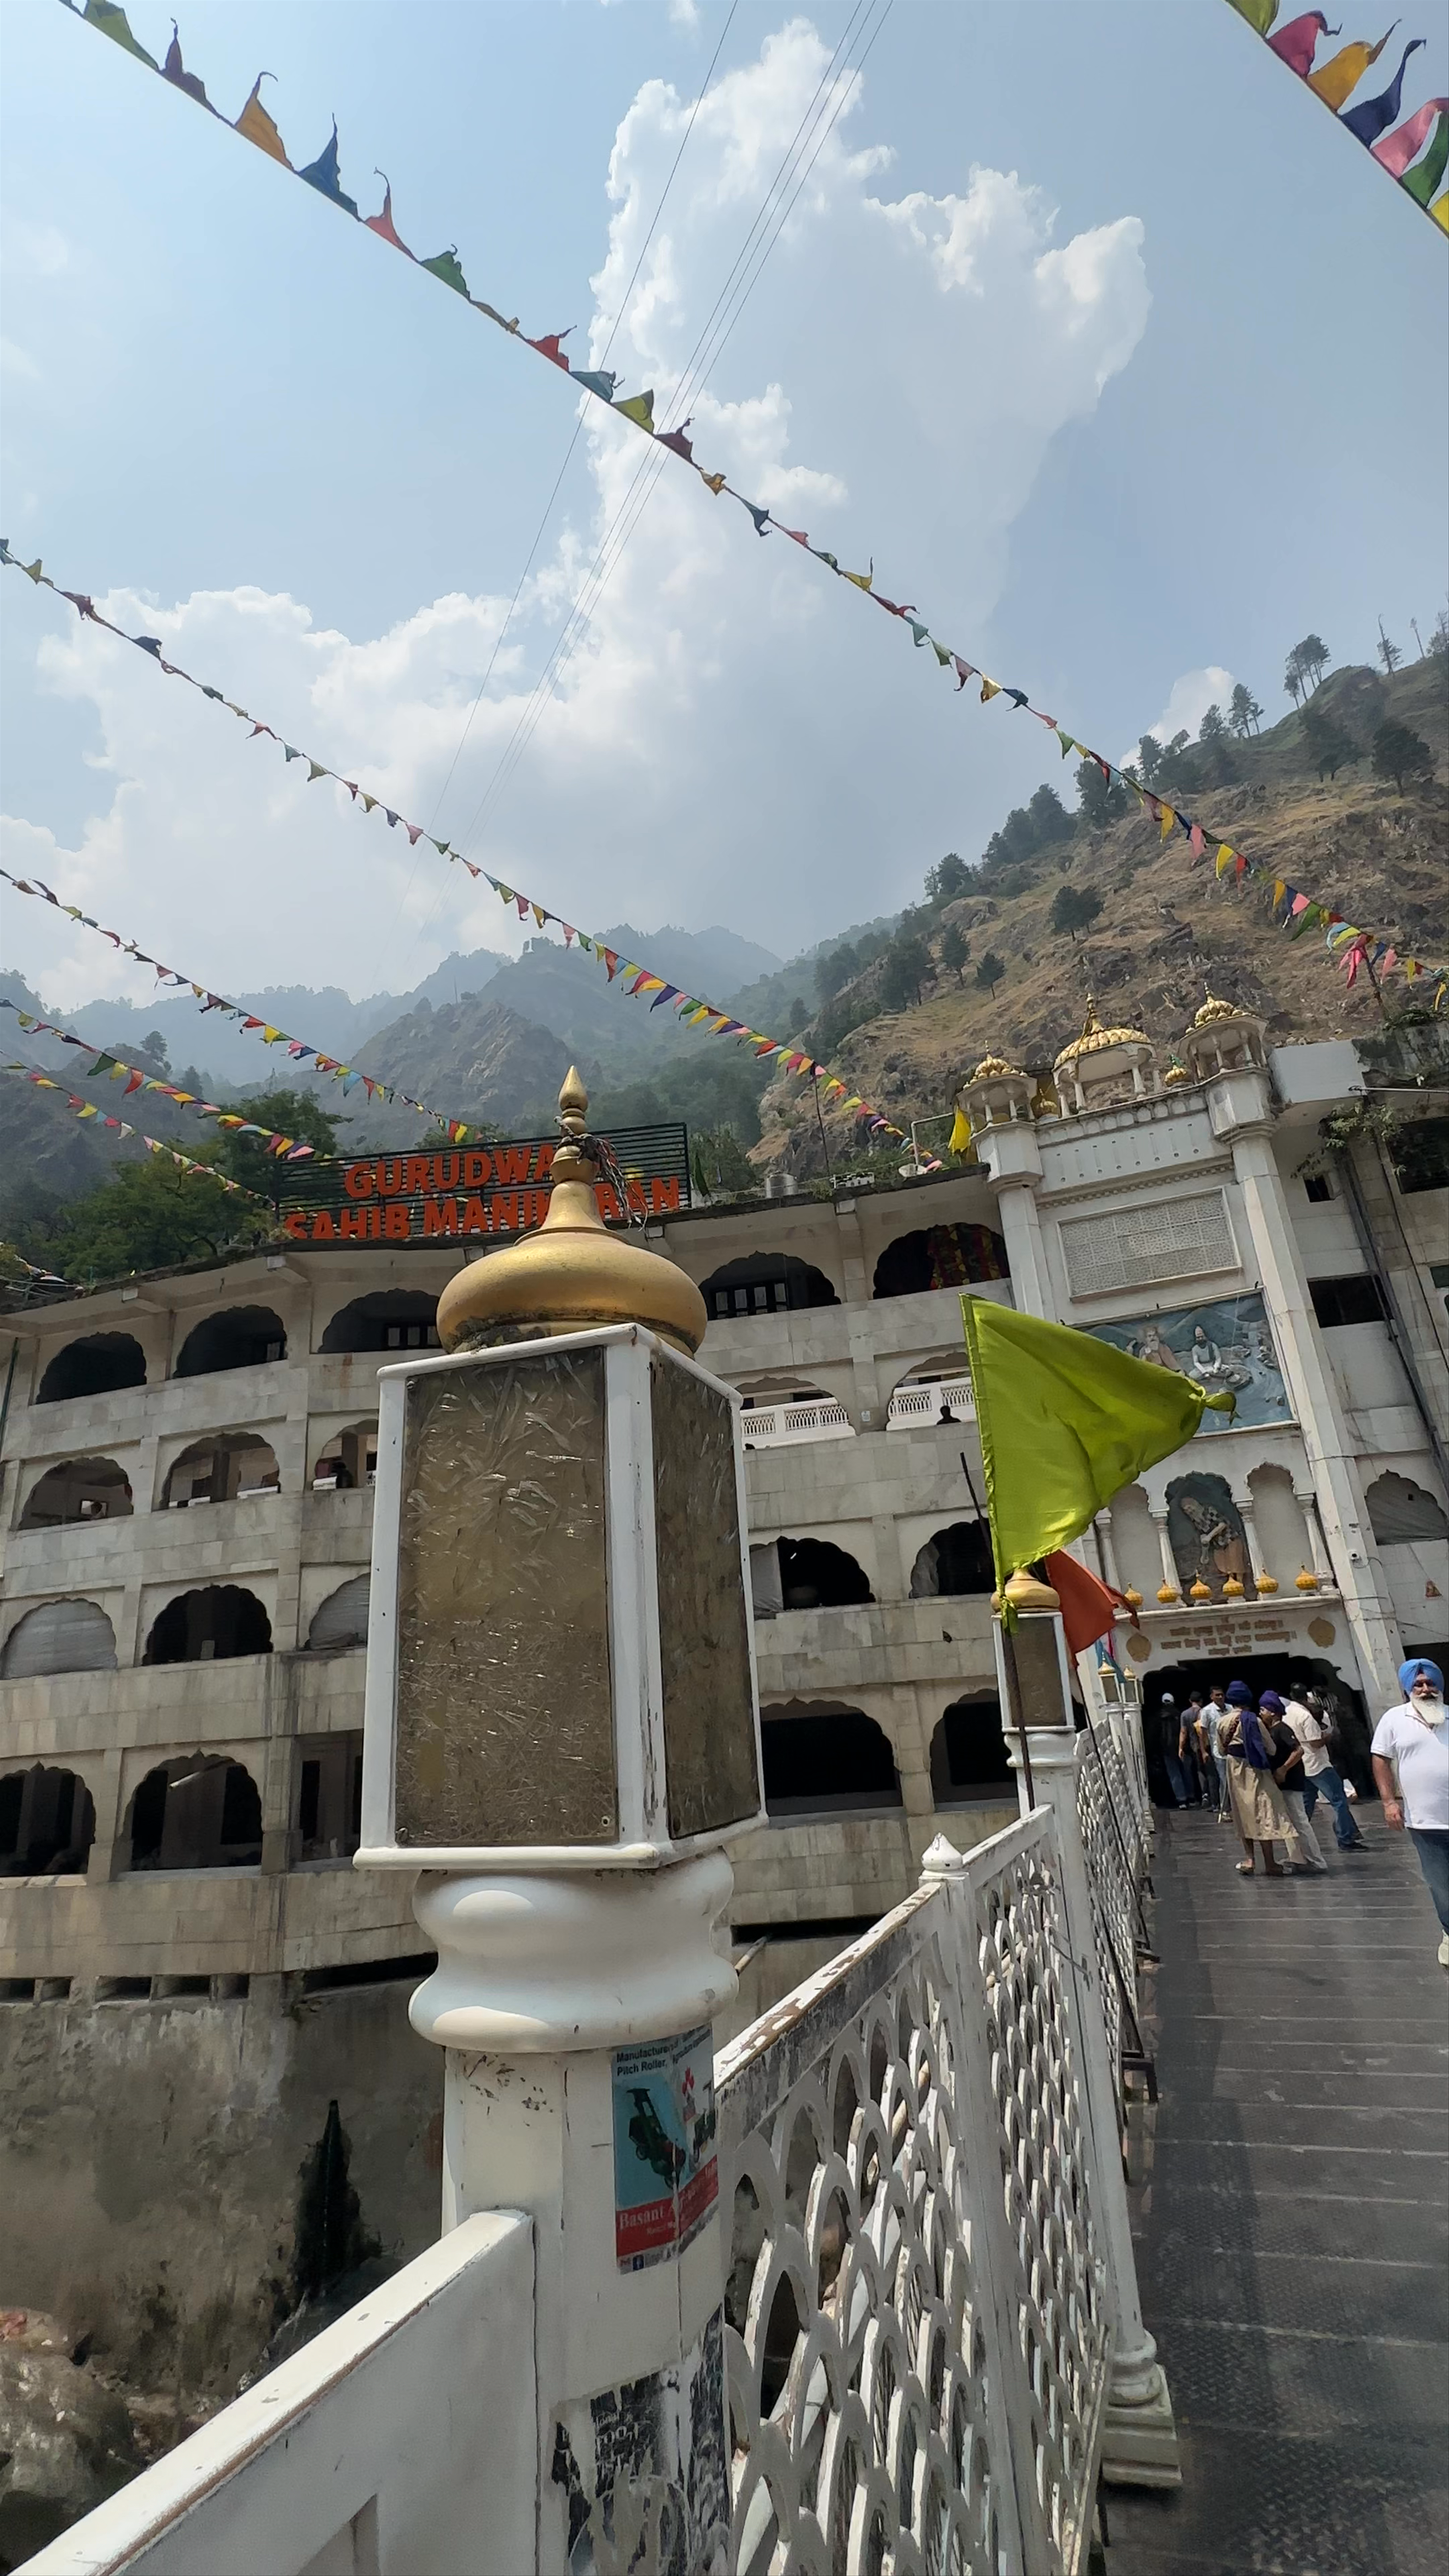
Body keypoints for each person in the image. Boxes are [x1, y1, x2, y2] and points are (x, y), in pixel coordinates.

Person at [1371, 1658, 1449, 1967]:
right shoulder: (1394, 1719)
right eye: (1419, 1684)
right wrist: (1390, 1802)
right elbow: (1380, 1758)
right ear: (1408, 1689)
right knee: (1440, 1883)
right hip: (1426, 1822)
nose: (1426, 1689)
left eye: (1430, 1683)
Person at [1218, 1680, 1301, 1876]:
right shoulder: (1254, 1721)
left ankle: (1249, 1860)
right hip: (1255, 1771)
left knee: (1242, 1814)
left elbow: (1222, 1750)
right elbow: (1271, 1749)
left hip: (1235, 1770)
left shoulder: (1223, 1722)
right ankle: (1270, 1863)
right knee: (1263, 1814)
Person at [1283, 1688, 1366, 1854]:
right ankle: (1346, 1839)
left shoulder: (1287, 1713)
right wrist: (1327, 1737)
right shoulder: (1305, 1716)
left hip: (1302, 1764)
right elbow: (1316, 1743)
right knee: (1339, 1801)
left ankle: (1299, 1840)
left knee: (1306, 1805)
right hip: (1318, 1764)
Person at [1259, 1691, 1327, 1872]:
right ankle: (1298, 1858)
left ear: (1273, 1712)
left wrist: (1283, 1769)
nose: (1261, 1713)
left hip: (1291, 1781)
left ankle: (1316, 1861)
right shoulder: (1271, 1731)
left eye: (1263, 1709)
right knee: (1288, 1821)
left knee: (1300, 1820)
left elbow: (1298, 1751)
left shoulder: (1283, 1729)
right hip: (1282, 1784)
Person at [1156, 1692, 1190, 1807]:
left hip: (1167, 1750)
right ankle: (1192, 1797)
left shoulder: (1159, 1717)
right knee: (1187, 1772)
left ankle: (1182, 1800)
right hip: (1182, 1747)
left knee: (1174, 1774)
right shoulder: (1180, 1714)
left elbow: (1155, 1735)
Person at [1203, 1683, 1232, 1819]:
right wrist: (1204, 1751)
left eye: (1222, 1695)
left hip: (1233, 1750)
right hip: (1218, 1750)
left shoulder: (1231, 1709)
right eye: (1217, 1695)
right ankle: (1224, 1809)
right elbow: (1203, 1732)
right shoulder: (1207, 1711)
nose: (1220, 1697)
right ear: (1212, 1697)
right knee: (1224, 1780)